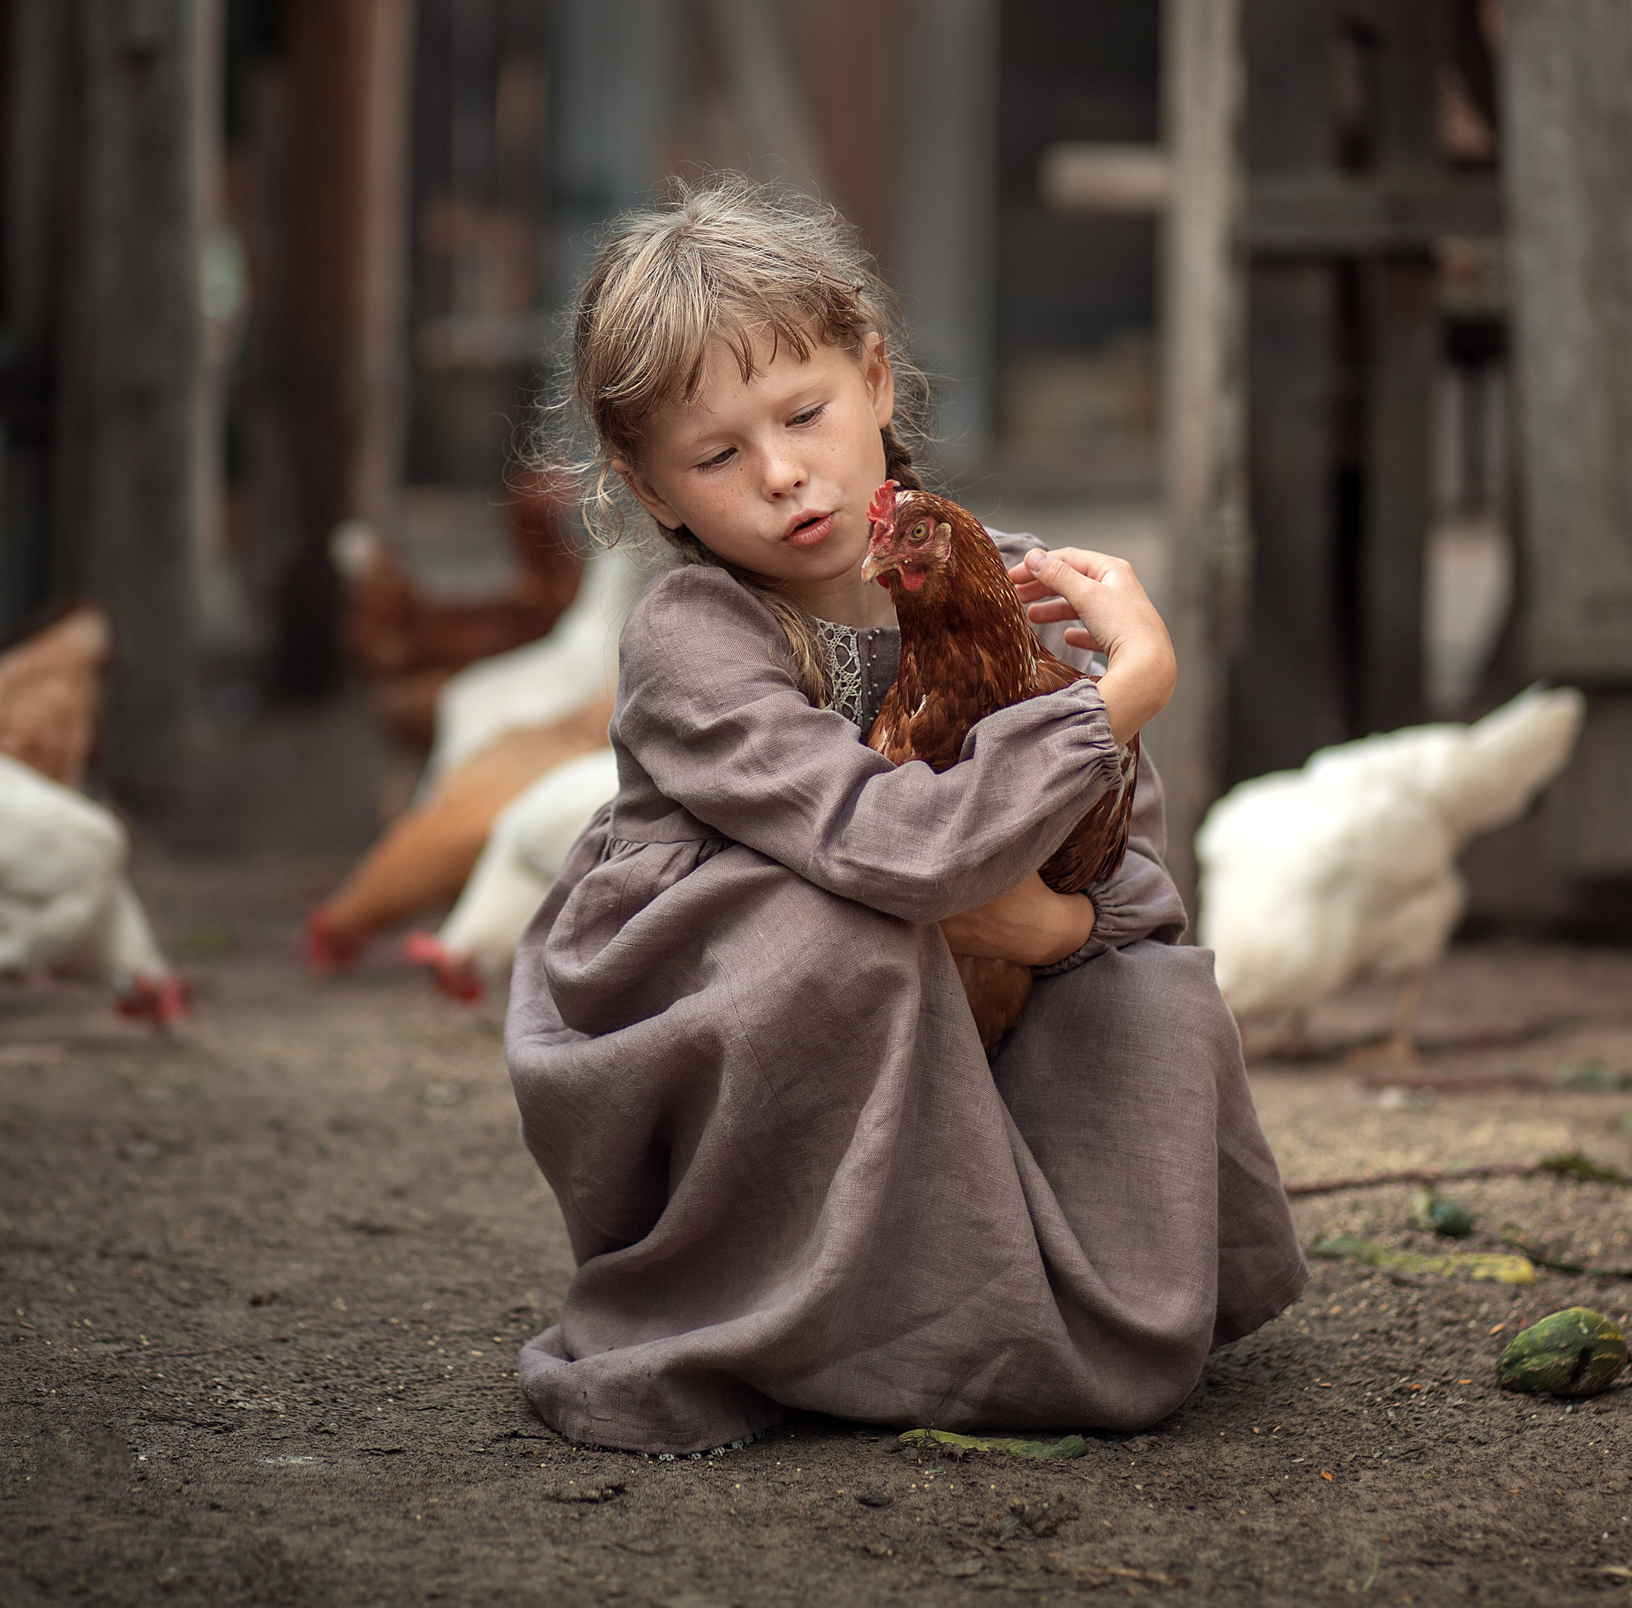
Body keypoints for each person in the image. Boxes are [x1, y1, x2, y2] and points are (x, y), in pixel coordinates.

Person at [506, 175, 1305, 1456]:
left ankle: (1045, 1321)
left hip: (972, 980)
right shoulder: (694, 635)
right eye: (715, 456)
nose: (781, 475)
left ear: (876, 380)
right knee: (842, 932)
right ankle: (772, 1313)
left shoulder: (994, 574)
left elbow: (1125, 873)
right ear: (648, 492)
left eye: (805, 413)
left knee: (1152, 995)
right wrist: (1120, 700)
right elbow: (892, 850)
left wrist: (1050, 934)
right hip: (722, 1010)